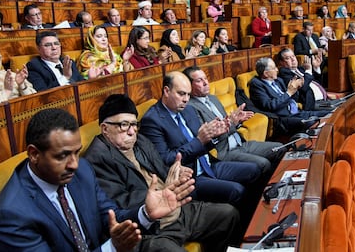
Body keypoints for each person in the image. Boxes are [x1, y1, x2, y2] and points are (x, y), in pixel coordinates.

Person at [0, 108, 196, 251]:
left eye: (77, 153)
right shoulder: (10, 214)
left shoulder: (82, 171)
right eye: (62, 156)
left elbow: (111, 217)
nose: (74, 164)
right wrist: (112, 248)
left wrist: (146, 214)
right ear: (34, 154)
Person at [84, 94, 242, 252]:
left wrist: (177, 174)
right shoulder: (96, 159)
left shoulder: (141, 141)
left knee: (229, 214)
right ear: (105, 129)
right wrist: (163, 191)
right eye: (124, 125)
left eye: (134, 124)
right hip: (150, 229)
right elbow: (119, 206)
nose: (132, 131)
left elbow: (162, 170)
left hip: (176, 211)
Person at [140, 71, 261, 206]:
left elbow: (204, 142)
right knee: (237, 190)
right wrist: (200, 141)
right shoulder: (152, 120)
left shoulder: (188, 109)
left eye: (188, 94)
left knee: (255, 170)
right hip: (190, 177)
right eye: (181, 94)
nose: (186, 99)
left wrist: (216, 135)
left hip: (208, 165)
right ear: (167, 91)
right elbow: (165, 160)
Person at [184, 66, 285, 176]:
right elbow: (209, 140)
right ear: (189, 86)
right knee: (264, 164)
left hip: (240, 143)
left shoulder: (213, 98)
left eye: (205, 79)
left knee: (280, 148)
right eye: (199, 80)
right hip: (224, 151)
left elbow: (227, 123)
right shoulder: (190, 108)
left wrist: (238, 121)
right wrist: (232, 123)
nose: (205, 83)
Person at [249, 57, 329, 134]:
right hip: (283, 118)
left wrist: (296, 89)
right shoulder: (257, 85)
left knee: (329, 113)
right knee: (313, 123)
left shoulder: (278, 81)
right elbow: (270, 105)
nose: (277, 70)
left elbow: (293, 98)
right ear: (266, 74)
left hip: (297, 112)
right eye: (274, 68)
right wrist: (289, 93)